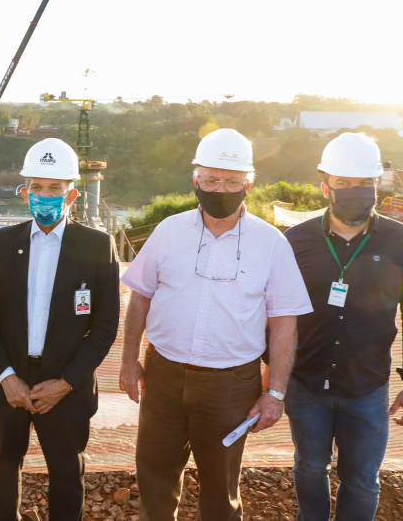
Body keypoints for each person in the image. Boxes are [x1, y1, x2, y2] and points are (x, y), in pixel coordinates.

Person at [118, 128, 313, 520]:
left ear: (249, 184)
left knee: (220, 492)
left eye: (231, 181)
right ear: (196, 181)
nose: (219, 188)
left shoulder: (271, 243)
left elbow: (284, 324)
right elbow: (140, 296)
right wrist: (128, 360)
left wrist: (274, 393)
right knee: (154, 480)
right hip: (164, 375)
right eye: (211, 179)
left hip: (232, 384)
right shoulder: (169, 231)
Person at [284, 132, 403, 521]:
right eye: (344, 184)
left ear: (377, 184)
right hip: (306, 384)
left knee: (362, 481)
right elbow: (273, 313)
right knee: (310, 466)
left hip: (367, 389)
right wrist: (271, 374)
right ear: (325, 187)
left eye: (364, 183)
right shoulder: (295, 241)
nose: (355, 191)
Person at [0, 138, 120, 521]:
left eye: (54, 188)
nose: (45, 195)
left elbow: (105, 326)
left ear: (71, 194)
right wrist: (6, 377)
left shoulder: (96, 246)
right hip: (11, 385)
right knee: (5, 477)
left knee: (67, 478)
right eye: (37, 187)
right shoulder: (4, 243)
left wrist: (66, 382)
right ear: (24, 192)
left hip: (66, 388)